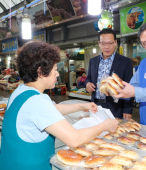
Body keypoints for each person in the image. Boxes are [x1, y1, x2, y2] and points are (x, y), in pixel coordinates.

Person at [0, 41, 118, 170]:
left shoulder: (20, 91)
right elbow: (75, 139)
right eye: (55, 69)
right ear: (40, 72)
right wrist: (106, 125)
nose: (57, 73)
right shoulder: (38, 101)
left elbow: (48, 111)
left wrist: (81, 106)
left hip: (8, 163)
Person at [86, 28, 133, 119]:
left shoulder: (125, 62)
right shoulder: (93, 61)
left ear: (115, 42)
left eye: (110, 43)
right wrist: (87, 83)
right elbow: (89, 78)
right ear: (99, 43)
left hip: (115, 107)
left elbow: (129, 86)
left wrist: (127, 109)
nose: (107, 47)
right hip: (96, 105)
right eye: (103, 43)